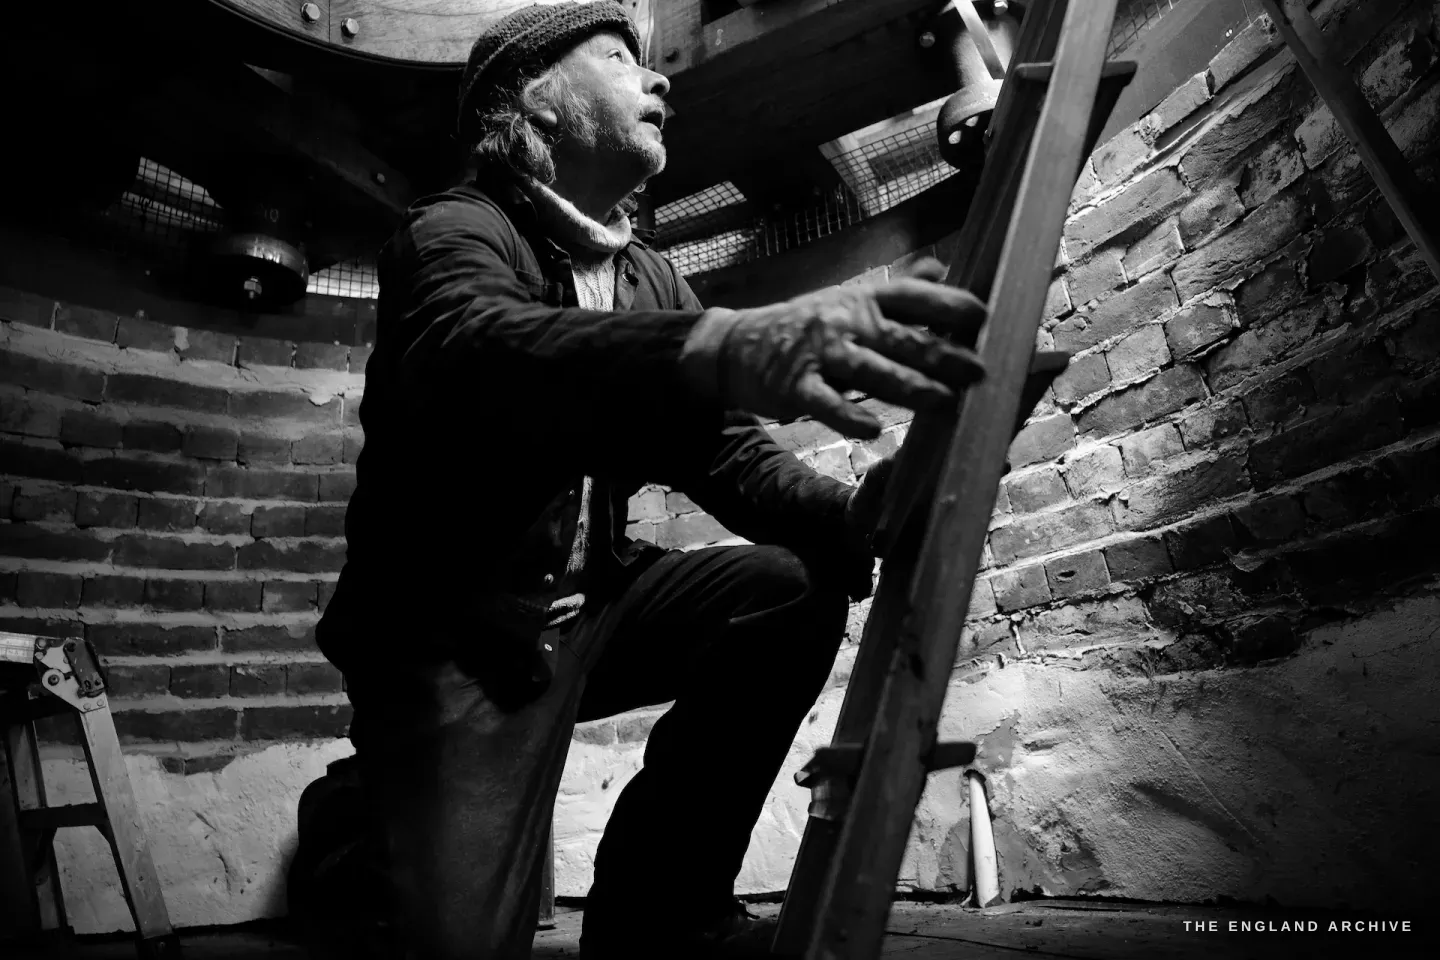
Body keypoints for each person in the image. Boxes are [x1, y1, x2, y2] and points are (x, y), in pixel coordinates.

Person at [311, 3, 1053, 958]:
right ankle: (361, 833)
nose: (659, 80)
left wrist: (851, 515)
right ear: (532, 102)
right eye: (621, 59)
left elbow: (726, 454)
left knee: (785, 589)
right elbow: (475, 350)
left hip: (593, 614)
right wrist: (722, 343)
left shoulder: (650, 276)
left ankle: (655, 911)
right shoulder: (453, 228)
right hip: (456, 641)